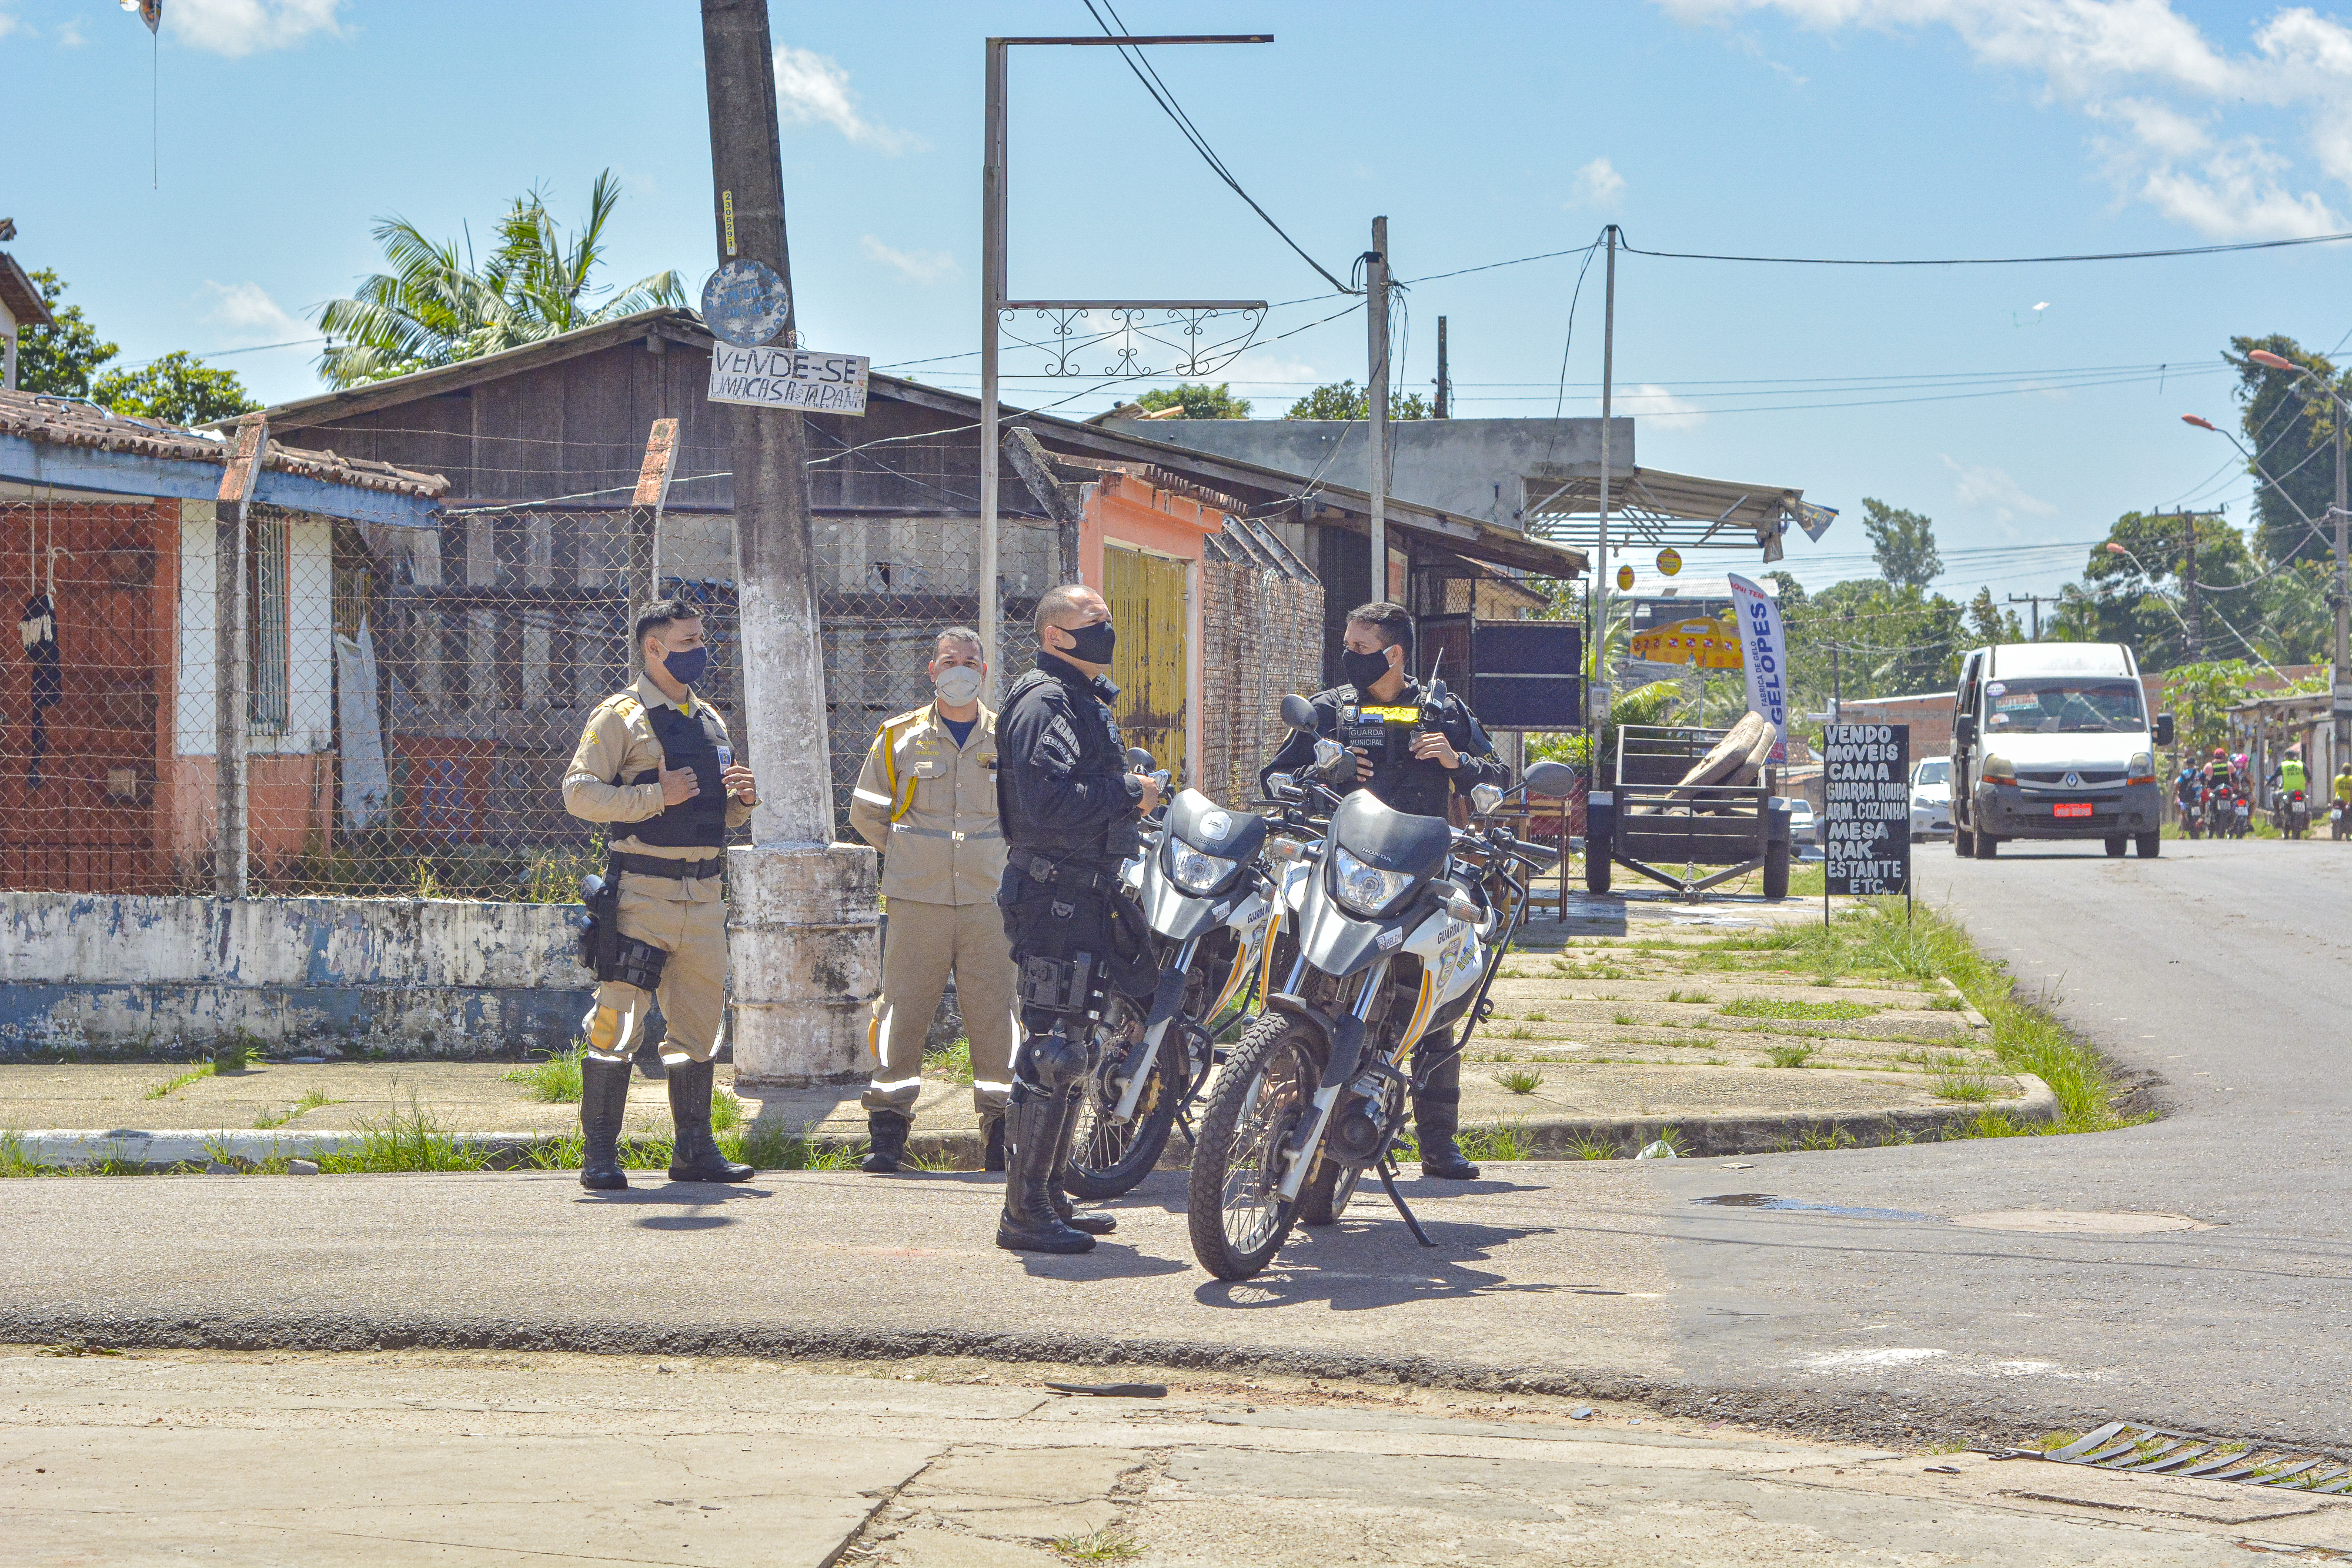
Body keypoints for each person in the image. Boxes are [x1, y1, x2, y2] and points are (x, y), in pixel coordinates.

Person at [1259, 600, 1509, 1181]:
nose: (1349, 656)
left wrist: (1458, 763)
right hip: (1343, 873)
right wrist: (1323, 773)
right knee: (1303, 981)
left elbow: (1496, 778)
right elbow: (1270, 779)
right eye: (1346, 644)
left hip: (1421, 876)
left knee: (1429, 998)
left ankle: (1437, 1145)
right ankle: (1286, 1120)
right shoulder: (1330, 711)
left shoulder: (1442, 708)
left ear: (1395, 654)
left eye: (1362, 648)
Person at [560, 599, 759, 1192]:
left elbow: (713, 815)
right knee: (617, 1026)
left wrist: (741, 803)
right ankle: (600, 1155)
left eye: (702, 637)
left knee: (698, 1031)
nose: (701, 648)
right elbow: (578, 794)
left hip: (703, 895)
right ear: (654, 647)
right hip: (641, 893)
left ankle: (694, 1151)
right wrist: (653, 798)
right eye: (689, 639)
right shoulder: (619, 717)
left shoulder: (710, 721)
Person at [991, 583, 1162, 1254]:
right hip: (1051, 894)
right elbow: (1043, 803)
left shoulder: (1082, 697)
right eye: (1092, 621)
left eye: (1108, 617)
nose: (1107, 629)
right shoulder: (1045, 700)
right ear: (1055, 636)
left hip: (1084, 890)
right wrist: (1131, 792)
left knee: (1074, 1048)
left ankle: (1051, 1197)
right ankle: (1024, 1214)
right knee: (1053, 1052)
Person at [847, 627, 1017, 1175]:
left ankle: (1002, 1131)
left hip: (989, 902)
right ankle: (888, 1132)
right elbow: (866, 811)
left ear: (985, 672)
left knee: (998, 1017)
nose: (959, 669)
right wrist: (907, 854)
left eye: (970, 660)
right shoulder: (900, 737)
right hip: (916, 901)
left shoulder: (1009, 737)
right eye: (949, 661)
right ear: (932, 670)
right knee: (901, 1012)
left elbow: (1025, 814)